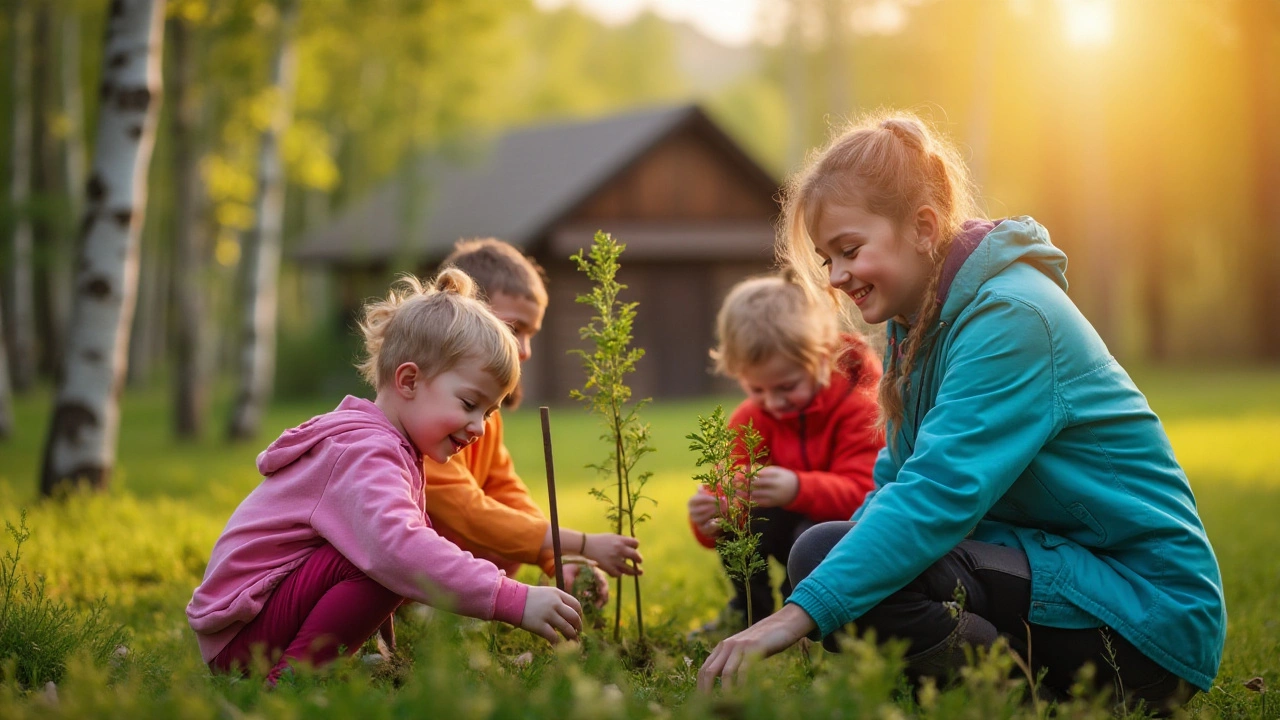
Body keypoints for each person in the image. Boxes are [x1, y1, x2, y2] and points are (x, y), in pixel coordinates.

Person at [697, 112, 1225, 714]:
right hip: (1053, 573)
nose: (837, 277)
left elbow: (939, 491)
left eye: (849, 250)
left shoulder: (1013, 318)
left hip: (1146, 619)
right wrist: (822, 594)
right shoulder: (916, 323)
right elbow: (895, 481)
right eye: (826, 260)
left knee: (840, 571)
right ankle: (1005, 686)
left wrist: (795, 616)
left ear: (923, 227)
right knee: (824, 552)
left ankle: (1010, 699)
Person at [187, 270, 583, 684]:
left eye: (487, 412)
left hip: (248, 621)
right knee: (394, 555)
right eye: (469, 403)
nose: (480, 427)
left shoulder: (386, 444)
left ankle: (328, 662)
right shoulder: (367, 452)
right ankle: (291, 682)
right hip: (242, 635)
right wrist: (511, 598)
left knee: (388, 551)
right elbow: (397, 551)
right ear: (409, 380)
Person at [423, 238, 642, 607]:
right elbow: (467, 511)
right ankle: (427, 606)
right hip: (409, 556)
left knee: (509, 544)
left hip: (448, 551)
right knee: (499, 535)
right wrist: (582, 543)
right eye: (515, 328)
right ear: (464, 316)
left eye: (531, 335)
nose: (524, 349)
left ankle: (454, 604)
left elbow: (504, 488)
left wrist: (555, 557)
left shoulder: (484, 419)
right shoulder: (427, 418)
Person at [687, 271, 883, 632]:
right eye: (756, 388)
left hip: (845, 536)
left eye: (786, 386)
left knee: (812, 533)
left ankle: (811, 616)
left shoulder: (861, 407)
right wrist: (712, 516)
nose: (773, 402)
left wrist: (797, 488)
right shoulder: (751, 417)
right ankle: (749, 613)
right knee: (742, 525)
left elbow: (867, 496)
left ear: (823, 357)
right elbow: (727, 493)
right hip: (789, 529)